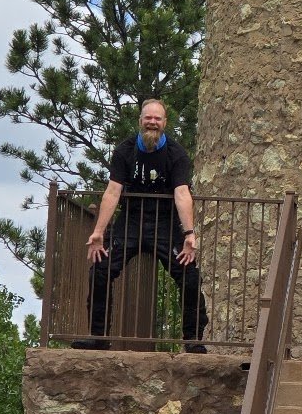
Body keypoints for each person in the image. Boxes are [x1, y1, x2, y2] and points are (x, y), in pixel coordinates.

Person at [72, 99, 209, 353]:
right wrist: (99, 232)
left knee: (189, 275)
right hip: (131, 221)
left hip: (164, 223)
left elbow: (182, 193)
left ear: (165, 122)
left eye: (157, 119)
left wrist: (189, 233)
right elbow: (113, 192)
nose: (152, 123)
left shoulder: (176, 154)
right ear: (140, 121)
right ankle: (98, 337)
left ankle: (192, 339)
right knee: (100, 269)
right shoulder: (124, 151)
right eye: (148, 118)